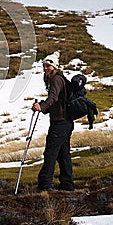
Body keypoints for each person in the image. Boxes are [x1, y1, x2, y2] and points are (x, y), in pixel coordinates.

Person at [31, 50, 74, 192]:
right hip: (65, 121)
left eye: (48, 66)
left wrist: (41, 107)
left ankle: (44, 185)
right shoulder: (59, 79)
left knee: (50, 152)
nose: (45, 68)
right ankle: (67, 185)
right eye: (44, 66)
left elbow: (53, 98)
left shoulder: (56, 79)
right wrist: (45, 107)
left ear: (54, 67)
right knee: (63, 154)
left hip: (60, 123)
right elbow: (57, 101)